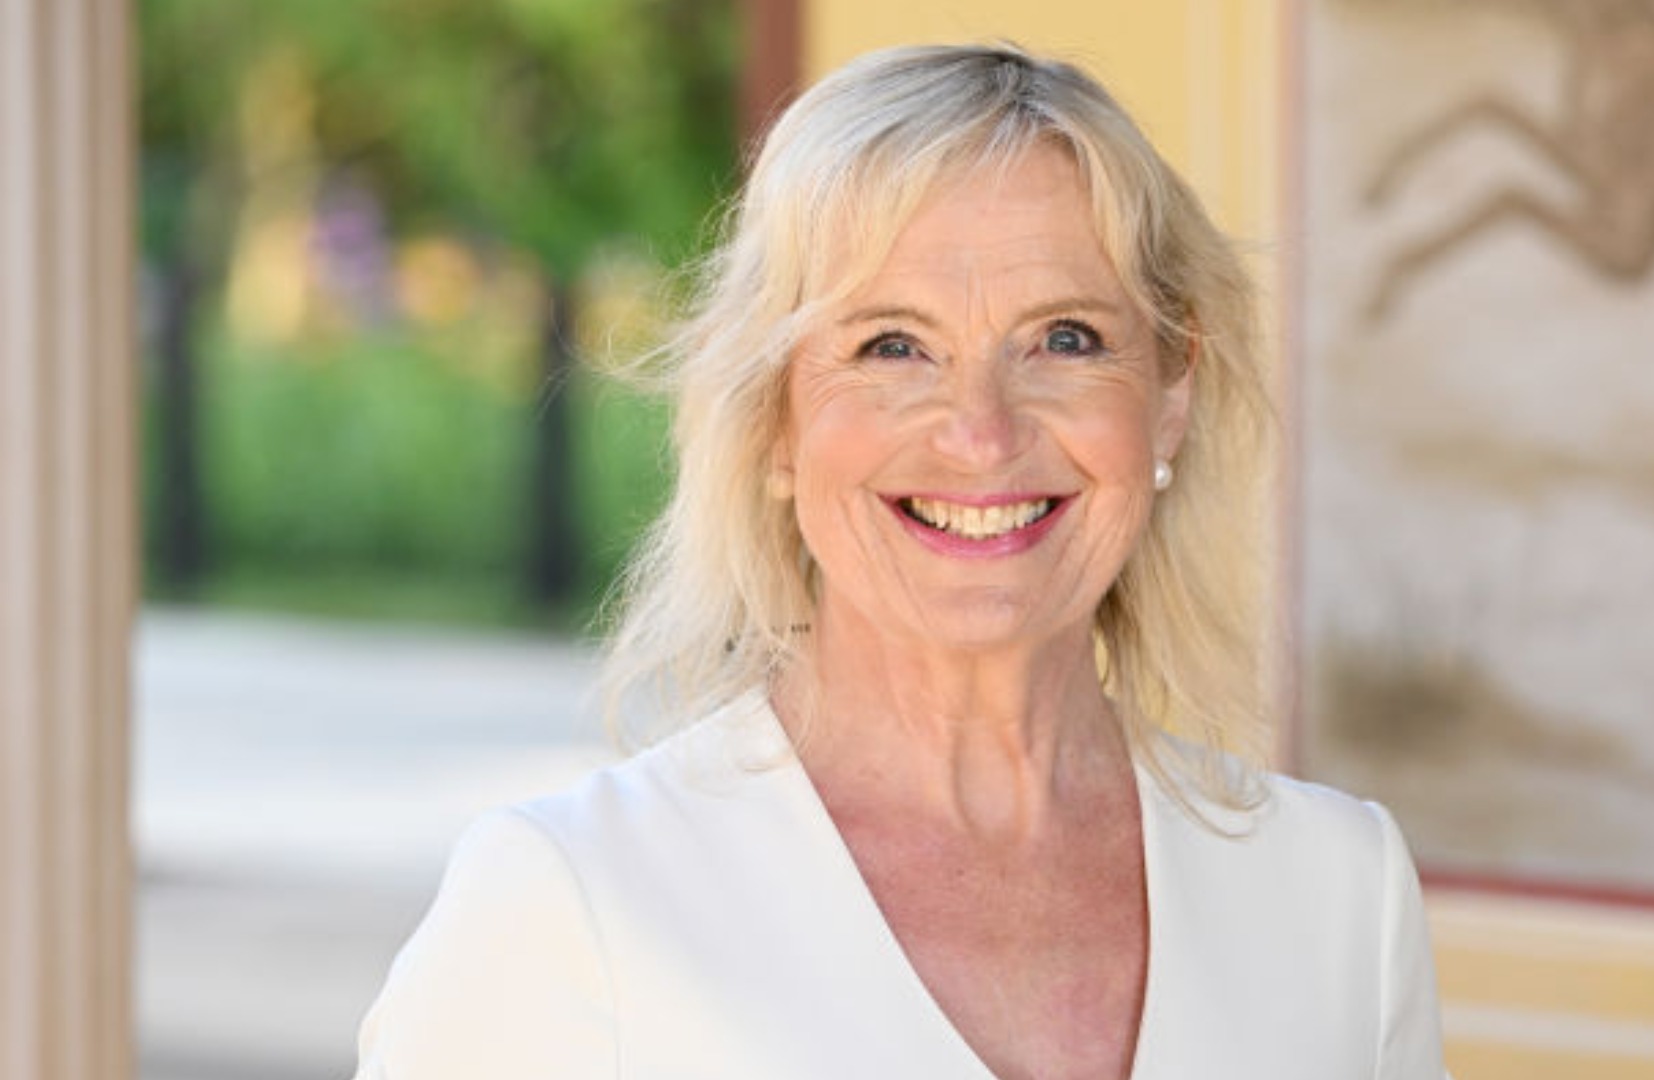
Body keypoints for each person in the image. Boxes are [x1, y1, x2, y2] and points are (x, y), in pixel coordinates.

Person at [351, 43, 1449, 1079]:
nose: (981, 432)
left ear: (1171, 394)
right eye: (892, 346)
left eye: (1065, 338)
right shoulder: (571, 905)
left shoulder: (1343, 895)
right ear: (772, 423)